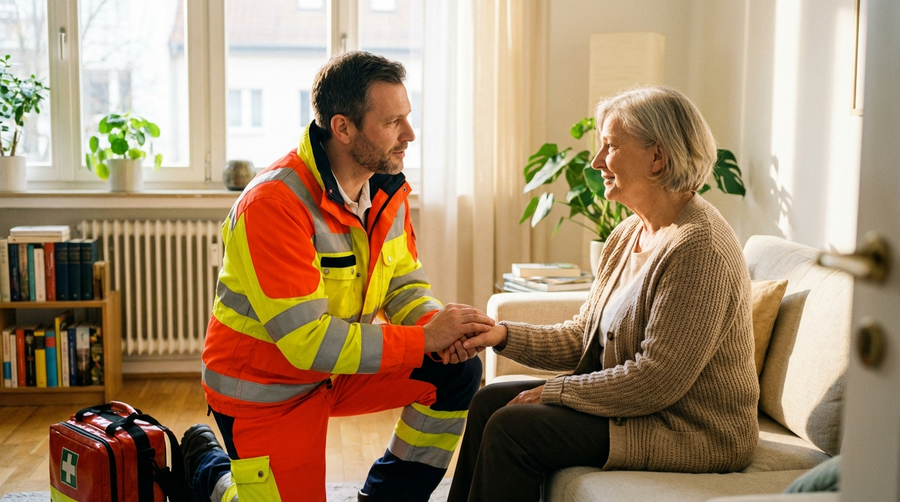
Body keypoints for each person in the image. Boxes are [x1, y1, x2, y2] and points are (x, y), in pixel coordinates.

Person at [181, 51, 492, 502]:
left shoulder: (386, 188)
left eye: (407, 118)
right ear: (342, 127)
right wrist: (424, 340)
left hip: (336, 370)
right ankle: (211, 470)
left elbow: (403, 284)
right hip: (267, 389)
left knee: (457, 369)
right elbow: (307, 341)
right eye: (392, 123)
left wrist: (438, 330)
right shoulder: (274, 205)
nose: (409, 135)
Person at [446, 85, 760, 502]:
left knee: (512, 428)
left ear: (657, 157)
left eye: (610, 147)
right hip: (645, 409)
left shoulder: (699, 246)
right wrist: (501, 335)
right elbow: (583, 337)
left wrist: (555, 391)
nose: (596, 162)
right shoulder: (628, 233)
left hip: (691, 427)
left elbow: (656, 380)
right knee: (489, 402)